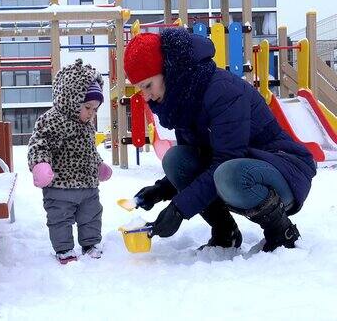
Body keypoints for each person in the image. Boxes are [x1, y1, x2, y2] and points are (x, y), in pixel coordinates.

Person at [123, 28, 316, 252]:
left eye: (148, 85)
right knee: (176, 159)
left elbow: (227, 158)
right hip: (241, 168)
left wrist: (179, 209)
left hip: (283, 170)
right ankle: (226, 233)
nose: (146, 96)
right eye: (140, 89)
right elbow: (196, 161)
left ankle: (282, 233)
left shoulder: (223, 91)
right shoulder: (182, 100)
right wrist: (160, 191)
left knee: (228, 173)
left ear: (169, 71)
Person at [27, 59, 112, 264]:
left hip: (88, 185)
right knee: (60, 218)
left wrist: (98, 165)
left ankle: (91, 243)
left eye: (95, 109)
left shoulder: (86, 126)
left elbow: (89, 150)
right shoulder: (53, 119)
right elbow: (39, 143)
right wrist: (41, 165)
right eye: (88, 107)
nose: (92, 113)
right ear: (71, 99)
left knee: (91, 215)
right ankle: (64, 249)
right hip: (60, 186)